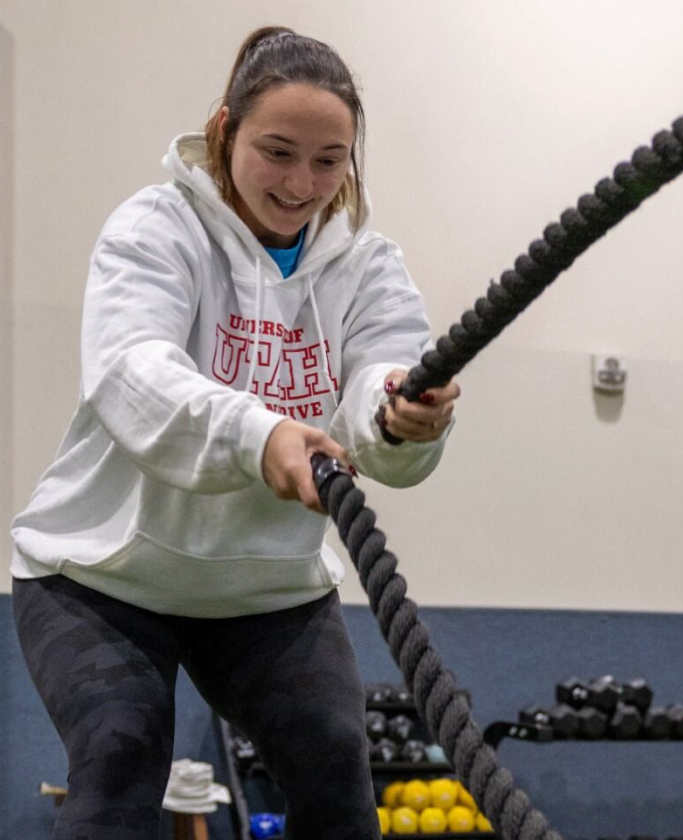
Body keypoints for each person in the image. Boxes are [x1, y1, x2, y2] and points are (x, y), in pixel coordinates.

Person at [10, 26, 459, 840]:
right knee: (118, 758)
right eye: (278, 151)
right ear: (225, 131)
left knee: (334, 767)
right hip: (102, 574)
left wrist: (404, 416)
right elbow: (132, 374)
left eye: (329, 161)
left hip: (263, 586)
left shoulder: (368, 264)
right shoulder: (155, 230)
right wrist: (263, 437)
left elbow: (377, 382)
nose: (301, 183)